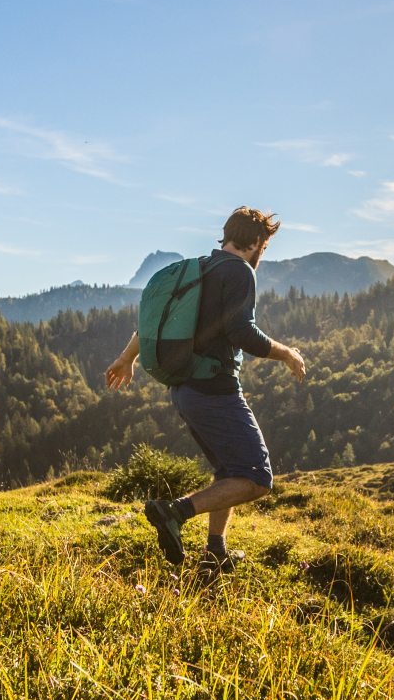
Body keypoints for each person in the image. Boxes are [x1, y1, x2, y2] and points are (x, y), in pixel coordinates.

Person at [105, 206, 307, 575]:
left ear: (227, 236)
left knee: (229, 469)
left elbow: (154, 324)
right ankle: (175, 511)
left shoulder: (199, 269)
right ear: (258, 243)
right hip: (215, 391)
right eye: (265, 246)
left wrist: (126, 359)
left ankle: (216, 551)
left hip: (185, 392)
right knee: (257, 478)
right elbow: (242, 332)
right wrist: (287, 354)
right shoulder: (240, 272)